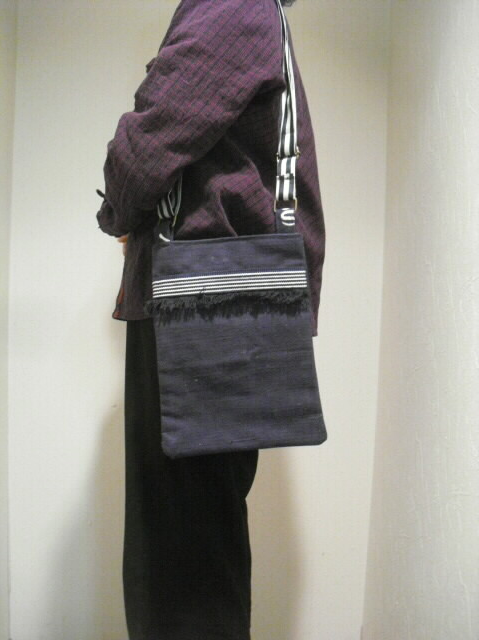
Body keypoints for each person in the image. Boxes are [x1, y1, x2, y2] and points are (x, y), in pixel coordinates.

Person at [95, 0, 325, 638]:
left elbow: (145, 146)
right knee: (199, 548)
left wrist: (118, 213)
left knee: (179, 564)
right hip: (220, 310)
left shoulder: (233, 5)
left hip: (194, 313)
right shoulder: (256, 11)